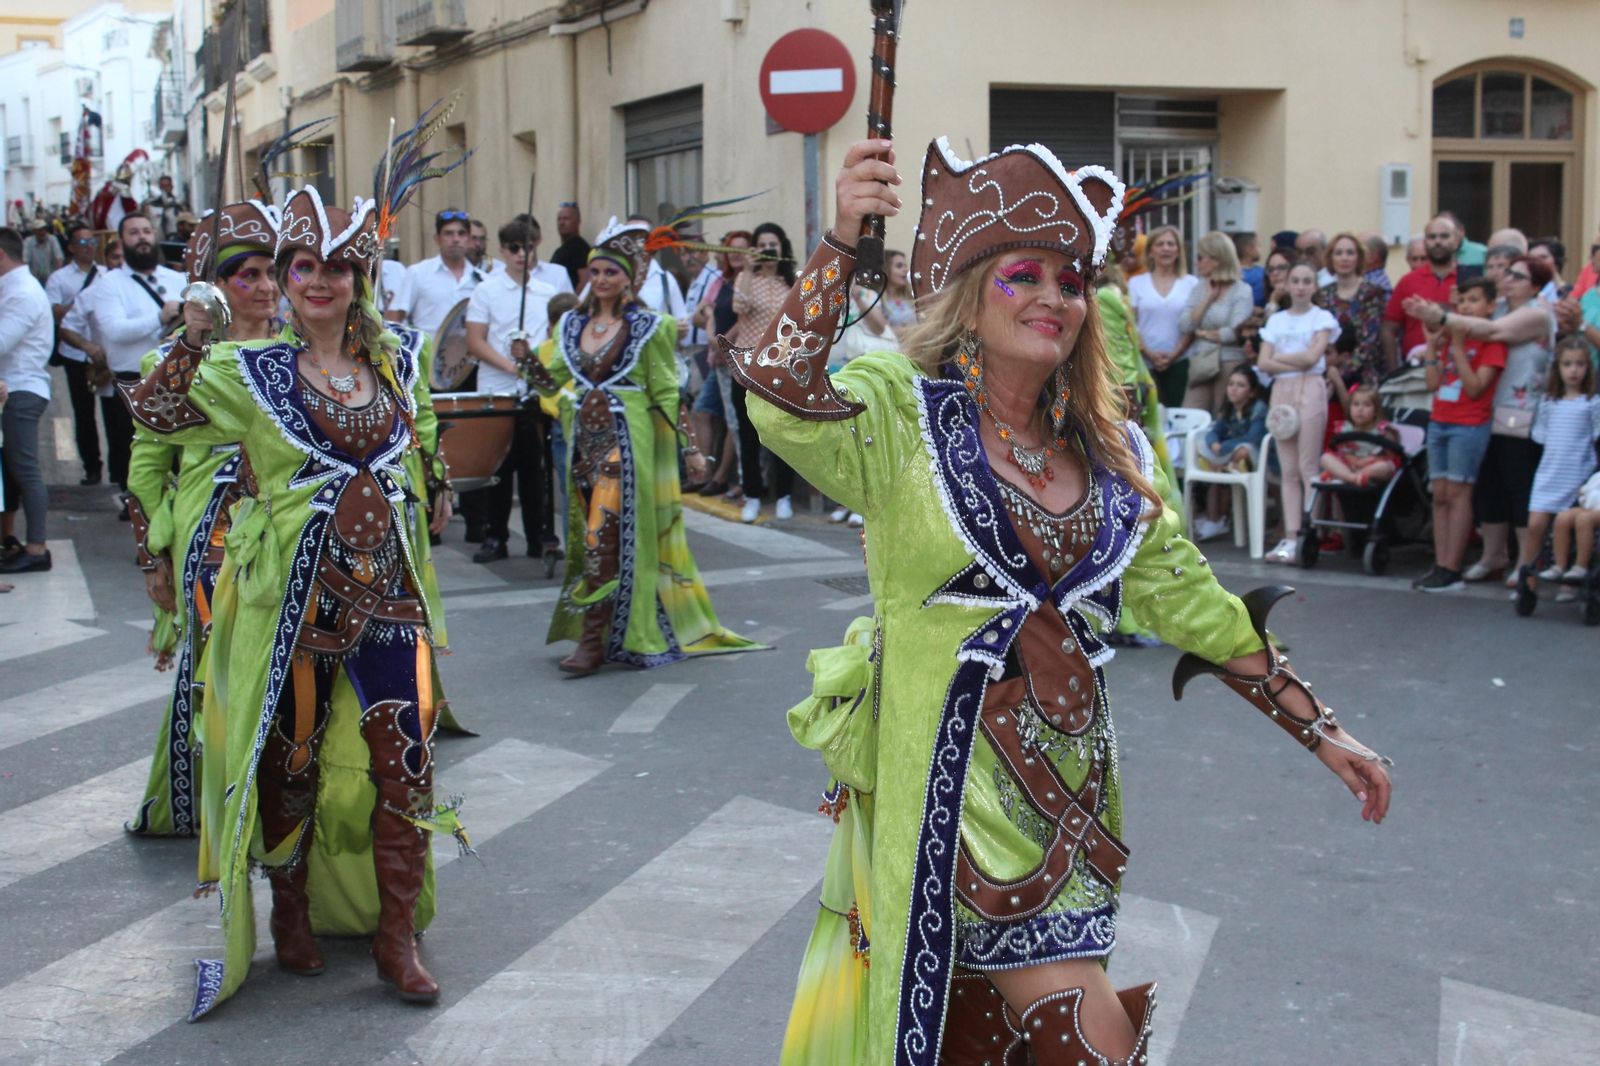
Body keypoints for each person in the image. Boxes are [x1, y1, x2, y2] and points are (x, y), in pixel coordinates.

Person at [724, 136, 1391, 1066]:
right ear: (967, 291)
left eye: (1071, 281)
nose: (1054, 298)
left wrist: (1321, 729)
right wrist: (842, 245)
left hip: (1070, 808)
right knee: (1090, 1042)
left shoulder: (1108, 458)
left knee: (987, 1047)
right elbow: (780, 401)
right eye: (1023, 275)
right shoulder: (898, 412)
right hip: (950, 801)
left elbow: (1193, 603)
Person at [122, 184, 460, 1015]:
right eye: (304, 265)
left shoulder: (399, 358)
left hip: (391, 598)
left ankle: (395, 939)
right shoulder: (251, 371)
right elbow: (159, 417)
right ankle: (292, 908)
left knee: (407, 765)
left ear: (360, 278)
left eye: (339, 267)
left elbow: (425, 441)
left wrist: (439, 484)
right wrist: (192, 333)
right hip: (298, 604)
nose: (320, 281)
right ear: (285, 274)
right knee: (293, 762)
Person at [523, 217, 759, 675]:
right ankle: (616, 630)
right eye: (596, 271)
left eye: (612, 272)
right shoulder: (571, 324)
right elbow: (552, 382)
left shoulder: (650, 326)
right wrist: (527, 362)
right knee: (595, 538)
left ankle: (595, 640)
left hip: (627, 444)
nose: (602, 279)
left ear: (628, 277)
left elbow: (667, 390)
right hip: (583, 443)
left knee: (600, 536)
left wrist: (691, 449)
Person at [122, 201, 283, 836]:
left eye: (273, 273)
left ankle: (275, 791)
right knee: (215, 660)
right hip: (209, 532)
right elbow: (144, 468)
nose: (267, 287)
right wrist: (151, 558)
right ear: (214, 291)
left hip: (282, 525)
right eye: (249, 276)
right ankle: (211, 801)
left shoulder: (299, 354)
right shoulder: (170, 364)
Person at [1406, 255, 1554, 584]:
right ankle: (1493, 556)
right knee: (1487, 487)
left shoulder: (1536, 313)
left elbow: (1489, 330)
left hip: (1519, 414)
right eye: (1507, 272)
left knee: (1517, 487)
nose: (1507, 278)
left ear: (1535, 285)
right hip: (1483, 413)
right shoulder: (1497, 305)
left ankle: (1525, 563)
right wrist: (1438, 316)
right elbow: (1457, 321)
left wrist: (1444, 317)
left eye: (1517, 275)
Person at [462, 218, 561, 563]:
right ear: (503, 251)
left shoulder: (546, 293)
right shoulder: (486, 290)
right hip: (497, 389)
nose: (522, 254)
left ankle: (539, 536)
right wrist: (511, 366)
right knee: (498, 470)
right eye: (515, 248)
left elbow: (554, 338)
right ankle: (496, 536)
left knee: (535, 468)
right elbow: (475, 341)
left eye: (529, 247)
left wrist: (535, 367)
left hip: (534, 392)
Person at [73, 213, 186, 499]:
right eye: (134, 233)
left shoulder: (176, 278)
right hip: (131, 379)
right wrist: (159, 317)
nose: (143, 237)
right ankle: (134, 502)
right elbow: (115, 330)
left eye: (147, 231)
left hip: (175, 378)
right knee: (133, 447)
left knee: (177, 446)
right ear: (122, 241)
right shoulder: (109, 284)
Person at [1414, 276, 1505, 592]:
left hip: (1468, 425)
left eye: (1474, 300)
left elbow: (1476, 387)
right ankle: (1439, 565)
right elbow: (1431, 383)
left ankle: (1453, 567)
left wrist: (1457, 345)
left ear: (1491, 306)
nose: (1466, 306)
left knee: (1458, 495)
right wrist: (1431, 344)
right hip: (1439, 421)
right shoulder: (1451, 337)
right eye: (1462, 301)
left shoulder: (1492, 342)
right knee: (1439, 496)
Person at [1259, 261, 1338, 564]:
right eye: (1296, 280)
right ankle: (1291, 535)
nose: (1302, 286)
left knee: (1308, 466)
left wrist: (1280, 357)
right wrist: (1293, 359)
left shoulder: (1322, 318)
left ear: (1315, 286)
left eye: (1307, 281)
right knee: (1288, 469)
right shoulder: (1277, 320)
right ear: (1288, 285)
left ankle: (1308, 532)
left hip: (1310, 388)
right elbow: (1264, 363)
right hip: (1283, 390)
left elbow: (1312, 358)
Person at [1518, 338, 1600, 591]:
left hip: (1577, 476)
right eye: (1567, 364)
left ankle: (1568, 584)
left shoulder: (1593, 403)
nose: (1574, 370)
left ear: (1588, 368)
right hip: (1549, 474)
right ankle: (1528, 583)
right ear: (1557, 367)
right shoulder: (1548, 402)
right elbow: (1541, 438)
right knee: (1535, 528)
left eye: (1580, 364)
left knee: (1571, 527)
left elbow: (1596, 440)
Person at [729, 221, 798, 522]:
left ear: (782, 247)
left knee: (782, 434)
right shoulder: (747, 279)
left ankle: (784, 496)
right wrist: (746, 269)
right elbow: (738, 306)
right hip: (748, 368)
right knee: (748, 435)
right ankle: (753, 496)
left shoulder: (792, 282)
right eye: (763, 245)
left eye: (774, 244)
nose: (769, 250)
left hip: (782, 369)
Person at [0, 226, 55, 574]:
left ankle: (37, 548)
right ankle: (11, 539)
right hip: (17, 387)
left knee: (25, 470)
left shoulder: (21, 292)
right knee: (11, 471)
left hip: (21, 389)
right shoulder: (16, 288)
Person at [690, 230, 751, 499]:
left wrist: (722, 342)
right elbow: (702, 314)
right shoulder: (724, 281)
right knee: (705, 411)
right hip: (719, 359)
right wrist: (714, 341)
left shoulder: (749, 281)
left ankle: (730, 478)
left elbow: (747, 317)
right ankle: (707, 475)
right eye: (731, 248)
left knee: (736, 421)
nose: (736, 253)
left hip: (738, 359)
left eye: (742, 248)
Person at [46, 220, 107, 485]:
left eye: (92, 241)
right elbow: (52, 310)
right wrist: (82, 307)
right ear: (71, 248)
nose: (89, 247)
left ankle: (117, 470)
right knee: (83, 414)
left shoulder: (105, 274)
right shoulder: (59, 278)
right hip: (75, 353)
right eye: (82, 242)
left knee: (113, 411)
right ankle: (91, 466)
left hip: (103, 354)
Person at [1177, 230, 1253, 413]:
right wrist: (1208, 299)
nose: (1196, 262)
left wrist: (1201, 333)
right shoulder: (1199, 288)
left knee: (1223, 414)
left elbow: (1234, 333)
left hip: (1229, 363)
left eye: (1200, 257)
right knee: (1190, 414)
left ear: (1217, 259)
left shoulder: (1242, 291)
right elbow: (1185, 325)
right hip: (1202, 362)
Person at [1194, 363, 1268, 541]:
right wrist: (1214, 444)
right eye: (1231, 384)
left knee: (1242, 451)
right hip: (1228, 456)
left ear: (1252, 392)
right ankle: (1214, 519)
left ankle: (1220, 517)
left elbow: (1253, 438)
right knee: (1204, 447)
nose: (1233, 389)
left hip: (1253, 456)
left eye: (1240, 385)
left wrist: (1223, 448)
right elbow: (1214, 432)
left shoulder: (1258, 409)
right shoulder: (1229, 409)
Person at [1127, 224, 1198, 407]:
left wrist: (1174, 354)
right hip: (1145, 361)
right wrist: (1148, 353)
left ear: (1178, 250)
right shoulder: (1136, 283)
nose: (1166, 248)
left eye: (1170, 244)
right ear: (1150, 251)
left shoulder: (1191, 283)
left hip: (1181, 361)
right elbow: (1131, 323)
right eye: (1160, 244)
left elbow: (1194, 323)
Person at [386, 209, 485, 334]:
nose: (455, 239)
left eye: (461, 234)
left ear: (469, 239)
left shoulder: (483, 280)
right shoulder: (418, 273)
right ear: (437, 239)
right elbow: (394, 319)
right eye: (448, 234)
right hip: (427, 351)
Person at [1383, 215, 1459, 372]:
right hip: (1414, 367)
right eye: (1432, 237)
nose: (1438, 241)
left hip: (1459, 365)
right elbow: (1388, 330)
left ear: (1456, 241)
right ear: (1426, 243)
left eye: (1444, 236)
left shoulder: (1470, 278)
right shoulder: (1408, 281)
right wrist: (1393, 371)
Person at [1316, 232, 1388, 386]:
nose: (1344, 258)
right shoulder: (1323, 294)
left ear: (1359, 258)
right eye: (1339, 253)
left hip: (1365, 375)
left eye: (1350, 253)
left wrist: (1339, 375)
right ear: (1331, 258)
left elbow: (1367, 342)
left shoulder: (1372, 292)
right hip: (1328, 371)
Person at [1319, 384, 1399, 487]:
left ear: (1376, 410)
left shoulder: (1381, 430)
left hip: (1370, 465)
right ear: (1350, 407)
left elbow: (1391, 454)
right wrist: (1355, 461)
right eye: (1356, 404)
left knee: (1386, 467)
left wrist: (1365, 460)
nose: (1360, 409)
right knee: (1325, 458)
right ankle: (1352, 478)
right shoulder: (1345, 429)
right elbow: (1341, 450)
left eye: (1367, 405)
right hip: (1349, 463)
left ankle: (1343, 476)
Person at [1544, 471, 1600, 590]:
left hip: (1594, 509)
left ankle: (1581, 567)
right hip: (1592, 506)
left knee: (1584, 519)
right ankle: (1559, 565)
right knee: (1563, 517)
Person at [549, 201, 591, 290]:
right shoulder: (563, 249)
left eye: (566, 218)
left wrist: (573, 302)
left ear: (578, 221)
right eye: (559, 219)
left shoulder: (580, 247)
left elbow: (585, 280)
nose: (561, 222)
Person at [881, 248, 917, 330]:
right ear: (886, 269)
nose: (905, 270)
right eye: (899, 266)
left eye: (905, 266)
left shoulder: (912, 298)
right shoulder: (877, 301)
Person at [21, 219, 63, 284]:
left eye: (45, 229)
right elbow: (25, 261)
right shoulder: (28, 242)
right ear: (34, 232)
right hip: (33, 277)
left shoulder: (52, 239)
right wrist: (33, 275)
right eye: (40, 230)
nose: (43, 232)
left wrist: (55, 275)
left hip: (51, 277)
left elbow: (59, 259)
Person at [1528, 237, 1567, 304]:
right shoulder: (1527, 295)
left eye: (1543, 257)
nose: (1537, 262)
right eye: (1532, 259)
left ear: (1556, 260)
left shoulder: (1572, 293)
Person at [1233, 230, 1265, 305]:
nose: (1260, 250)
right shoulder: (1235, 274)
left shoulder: (1262, 271)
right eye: (1258, 246)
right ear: (1249, 250)